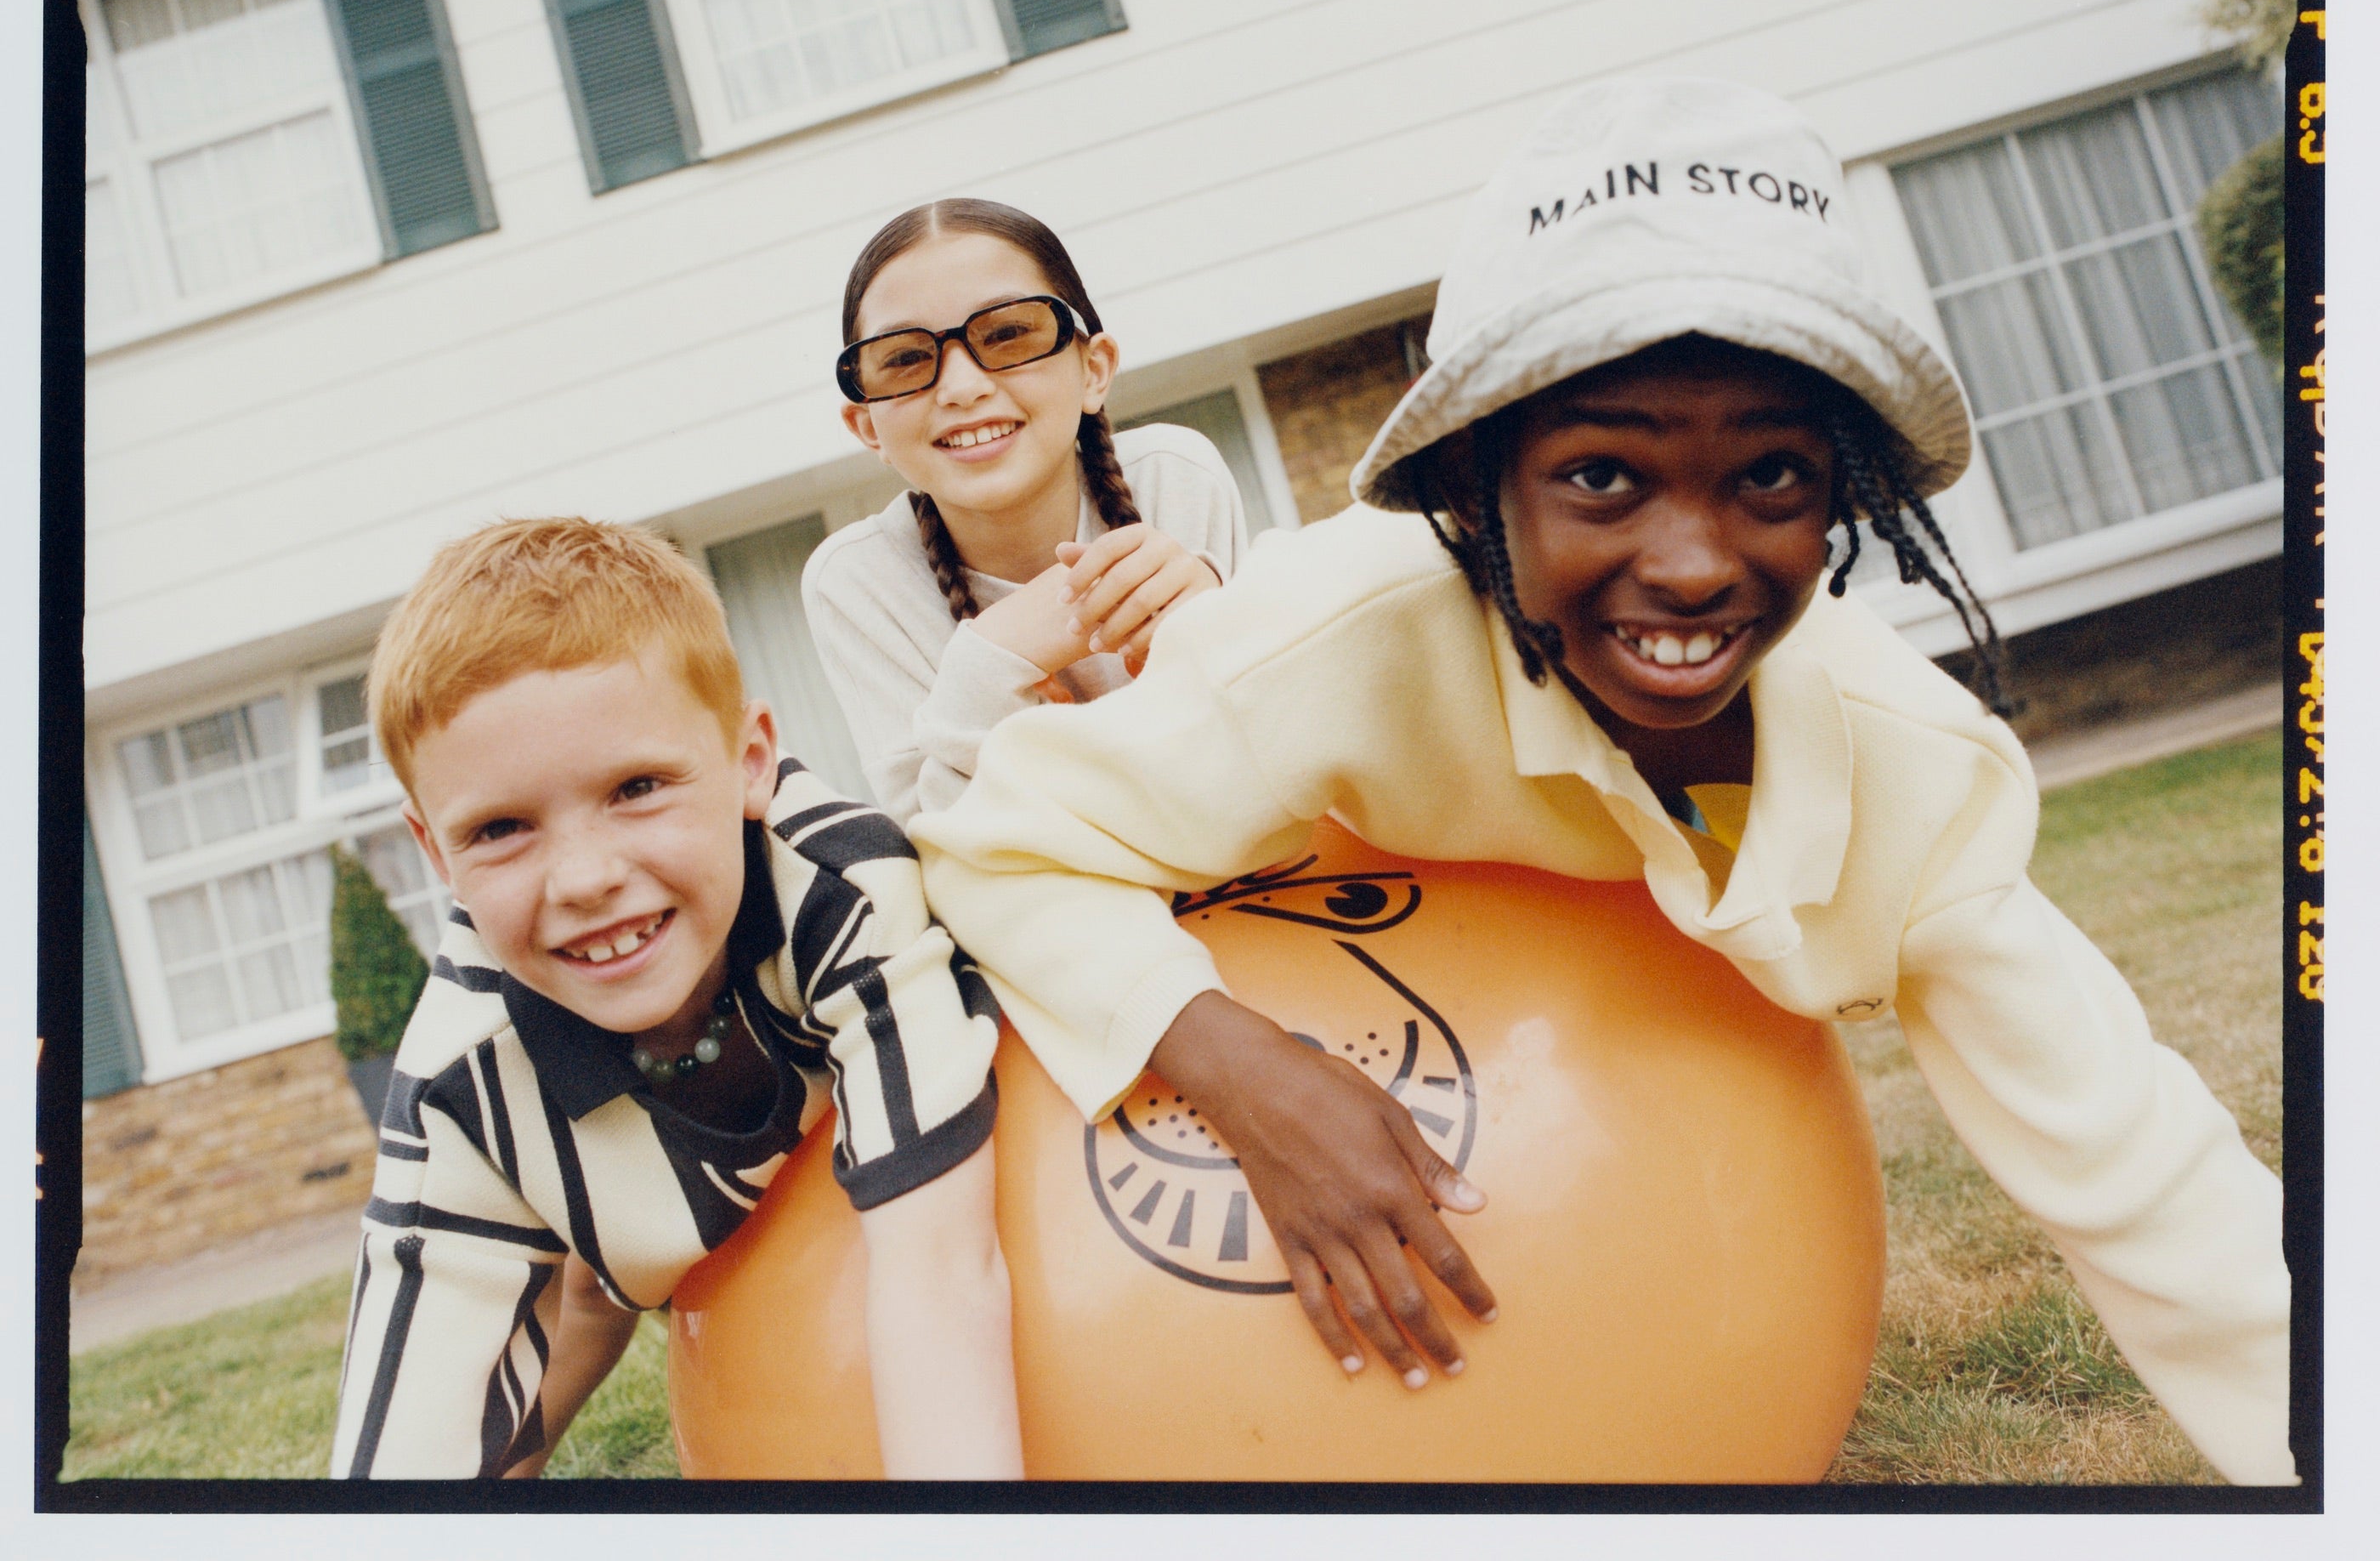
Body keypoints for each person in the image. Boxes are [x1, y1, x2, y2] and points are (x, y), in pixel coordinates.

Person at [908, 77, 2294, 1485]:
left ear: (1849, 493)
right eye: (1602, 477)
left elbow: (2148, 1183)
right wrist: (1247, 1071)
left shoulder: (1914, 781)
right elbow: (1001, 839)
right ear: (1478, 485)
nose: (1691, 561)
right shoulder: (1338, 637)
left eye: (1769, 473)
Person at [329, 518, 1020, 1479]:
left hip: (832, 1118)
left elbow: (940, 1272)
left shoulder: (841, 886)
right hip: (618, 1218)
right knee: (589, 1302)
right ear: (433, 851)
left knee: (604, 1288)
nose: (583, 878)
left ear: (751, 760)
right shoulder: (460, 1080)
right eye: (499, 829)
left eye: (637, 787)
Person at [802, 198, 1248, 823]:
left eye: (1009, 333)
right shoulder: (857, 580)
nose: (961, 388)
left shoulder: (1175, 477)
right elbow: (936, 846)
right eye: (904, 358)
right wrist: (990, 659)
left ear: (1095, 369)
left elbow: (1272, 750)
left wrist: (1225, 625)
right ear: (866, 424)